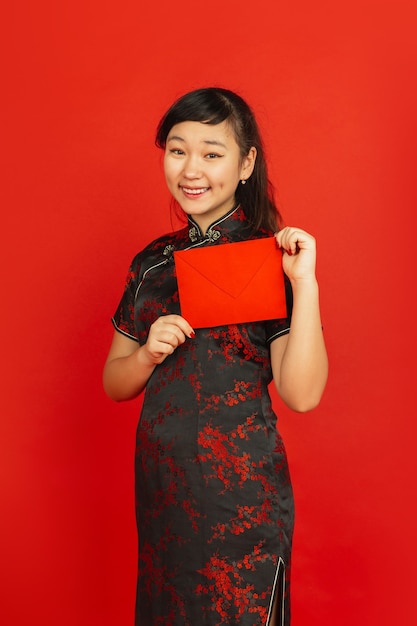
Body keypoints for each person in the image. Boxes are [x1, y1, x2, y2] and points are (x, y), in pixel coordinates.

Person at [103, 87, 328, 626]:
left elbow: (302, 393)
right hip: (164, 496)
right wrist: (147, 354)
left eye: (212, 152)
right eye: (177, 150)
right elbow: (115, 382)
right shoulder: (152, 264)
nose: (191, 168)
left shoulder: (271, 258)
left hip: (242, 500)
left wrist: (306, 282)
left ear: (246, 162)